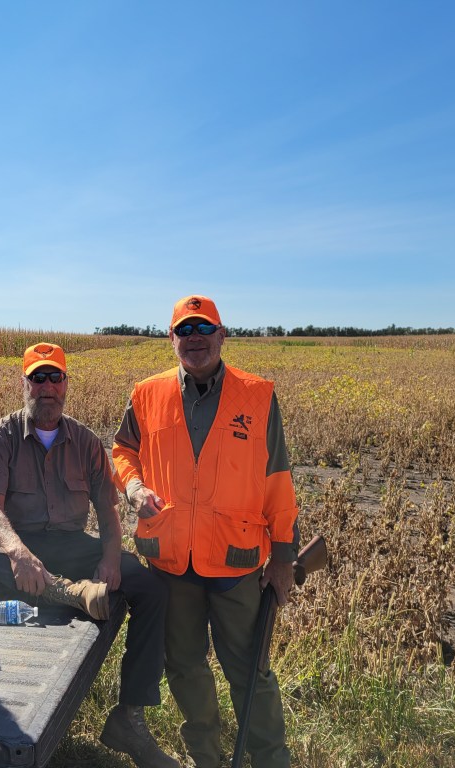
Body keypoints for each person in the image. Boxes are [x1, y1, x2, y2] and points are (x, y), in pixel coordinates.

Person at [0, 342, 179, 768]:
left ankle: (130, 717)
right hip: (19, 547)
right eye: (38, 378)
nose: (47, 386)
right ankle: (65, 591)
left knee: (152, 589)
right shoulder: (1, 436)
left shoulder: (85, 441)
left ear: (66, 384)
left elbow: (107, 512)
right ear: (25, 384)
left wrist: (111, 558)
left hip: (70, 546)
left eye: (55, 377)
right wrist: (18, 552)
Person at [112, 295, 300, 768]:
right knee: (184, 666)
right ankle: (206, 757)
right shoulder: (146, 394)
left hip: (236, 561)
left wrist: (283, 556)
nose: (194, 338)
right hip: (171, 559)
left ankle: (271, 759)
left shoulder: (257, 395)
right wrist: (133, 486)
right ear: (171, 338)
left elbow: (277, 477)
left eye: (203, 328)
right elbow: (122, 451)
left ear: (222, 335)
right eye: (185, 330)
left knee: (250, 670)